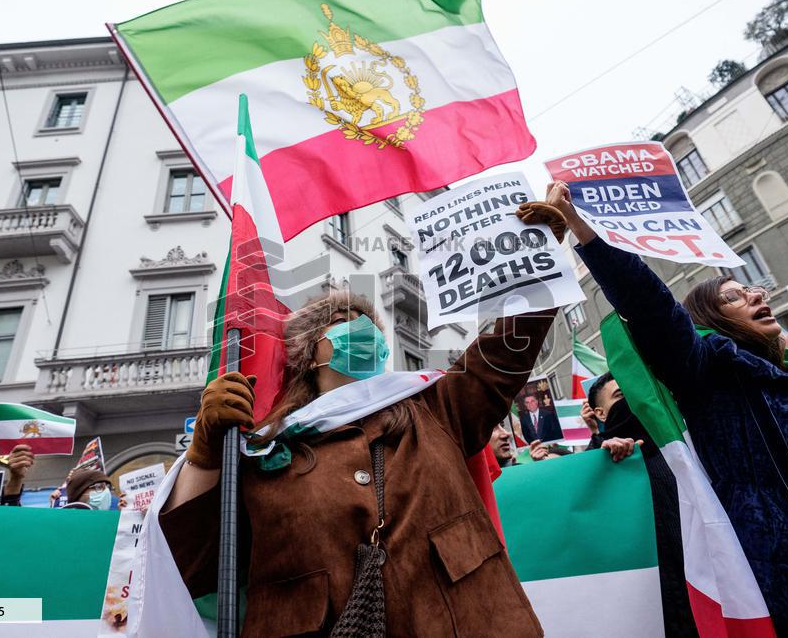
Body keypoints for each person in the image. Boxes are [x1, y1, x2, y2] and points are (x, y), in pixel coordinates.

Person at [159, 217, 567, 636]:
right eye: (347, 318)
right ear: (311, 351)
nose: (366, 329)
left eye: (371, 324)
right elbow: (190, 565)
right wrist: (205, 455)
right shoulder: (263, 449)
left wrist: (537, 255)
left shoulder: (435, 407)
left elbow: (502, 354)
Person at [519, 182, 788, 635]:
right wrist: (586, 233)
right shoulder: (712, 371)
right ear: (710, 320)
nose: (755, 295)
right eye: (733, 296)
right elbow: (653, 309)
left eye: (751, 289)